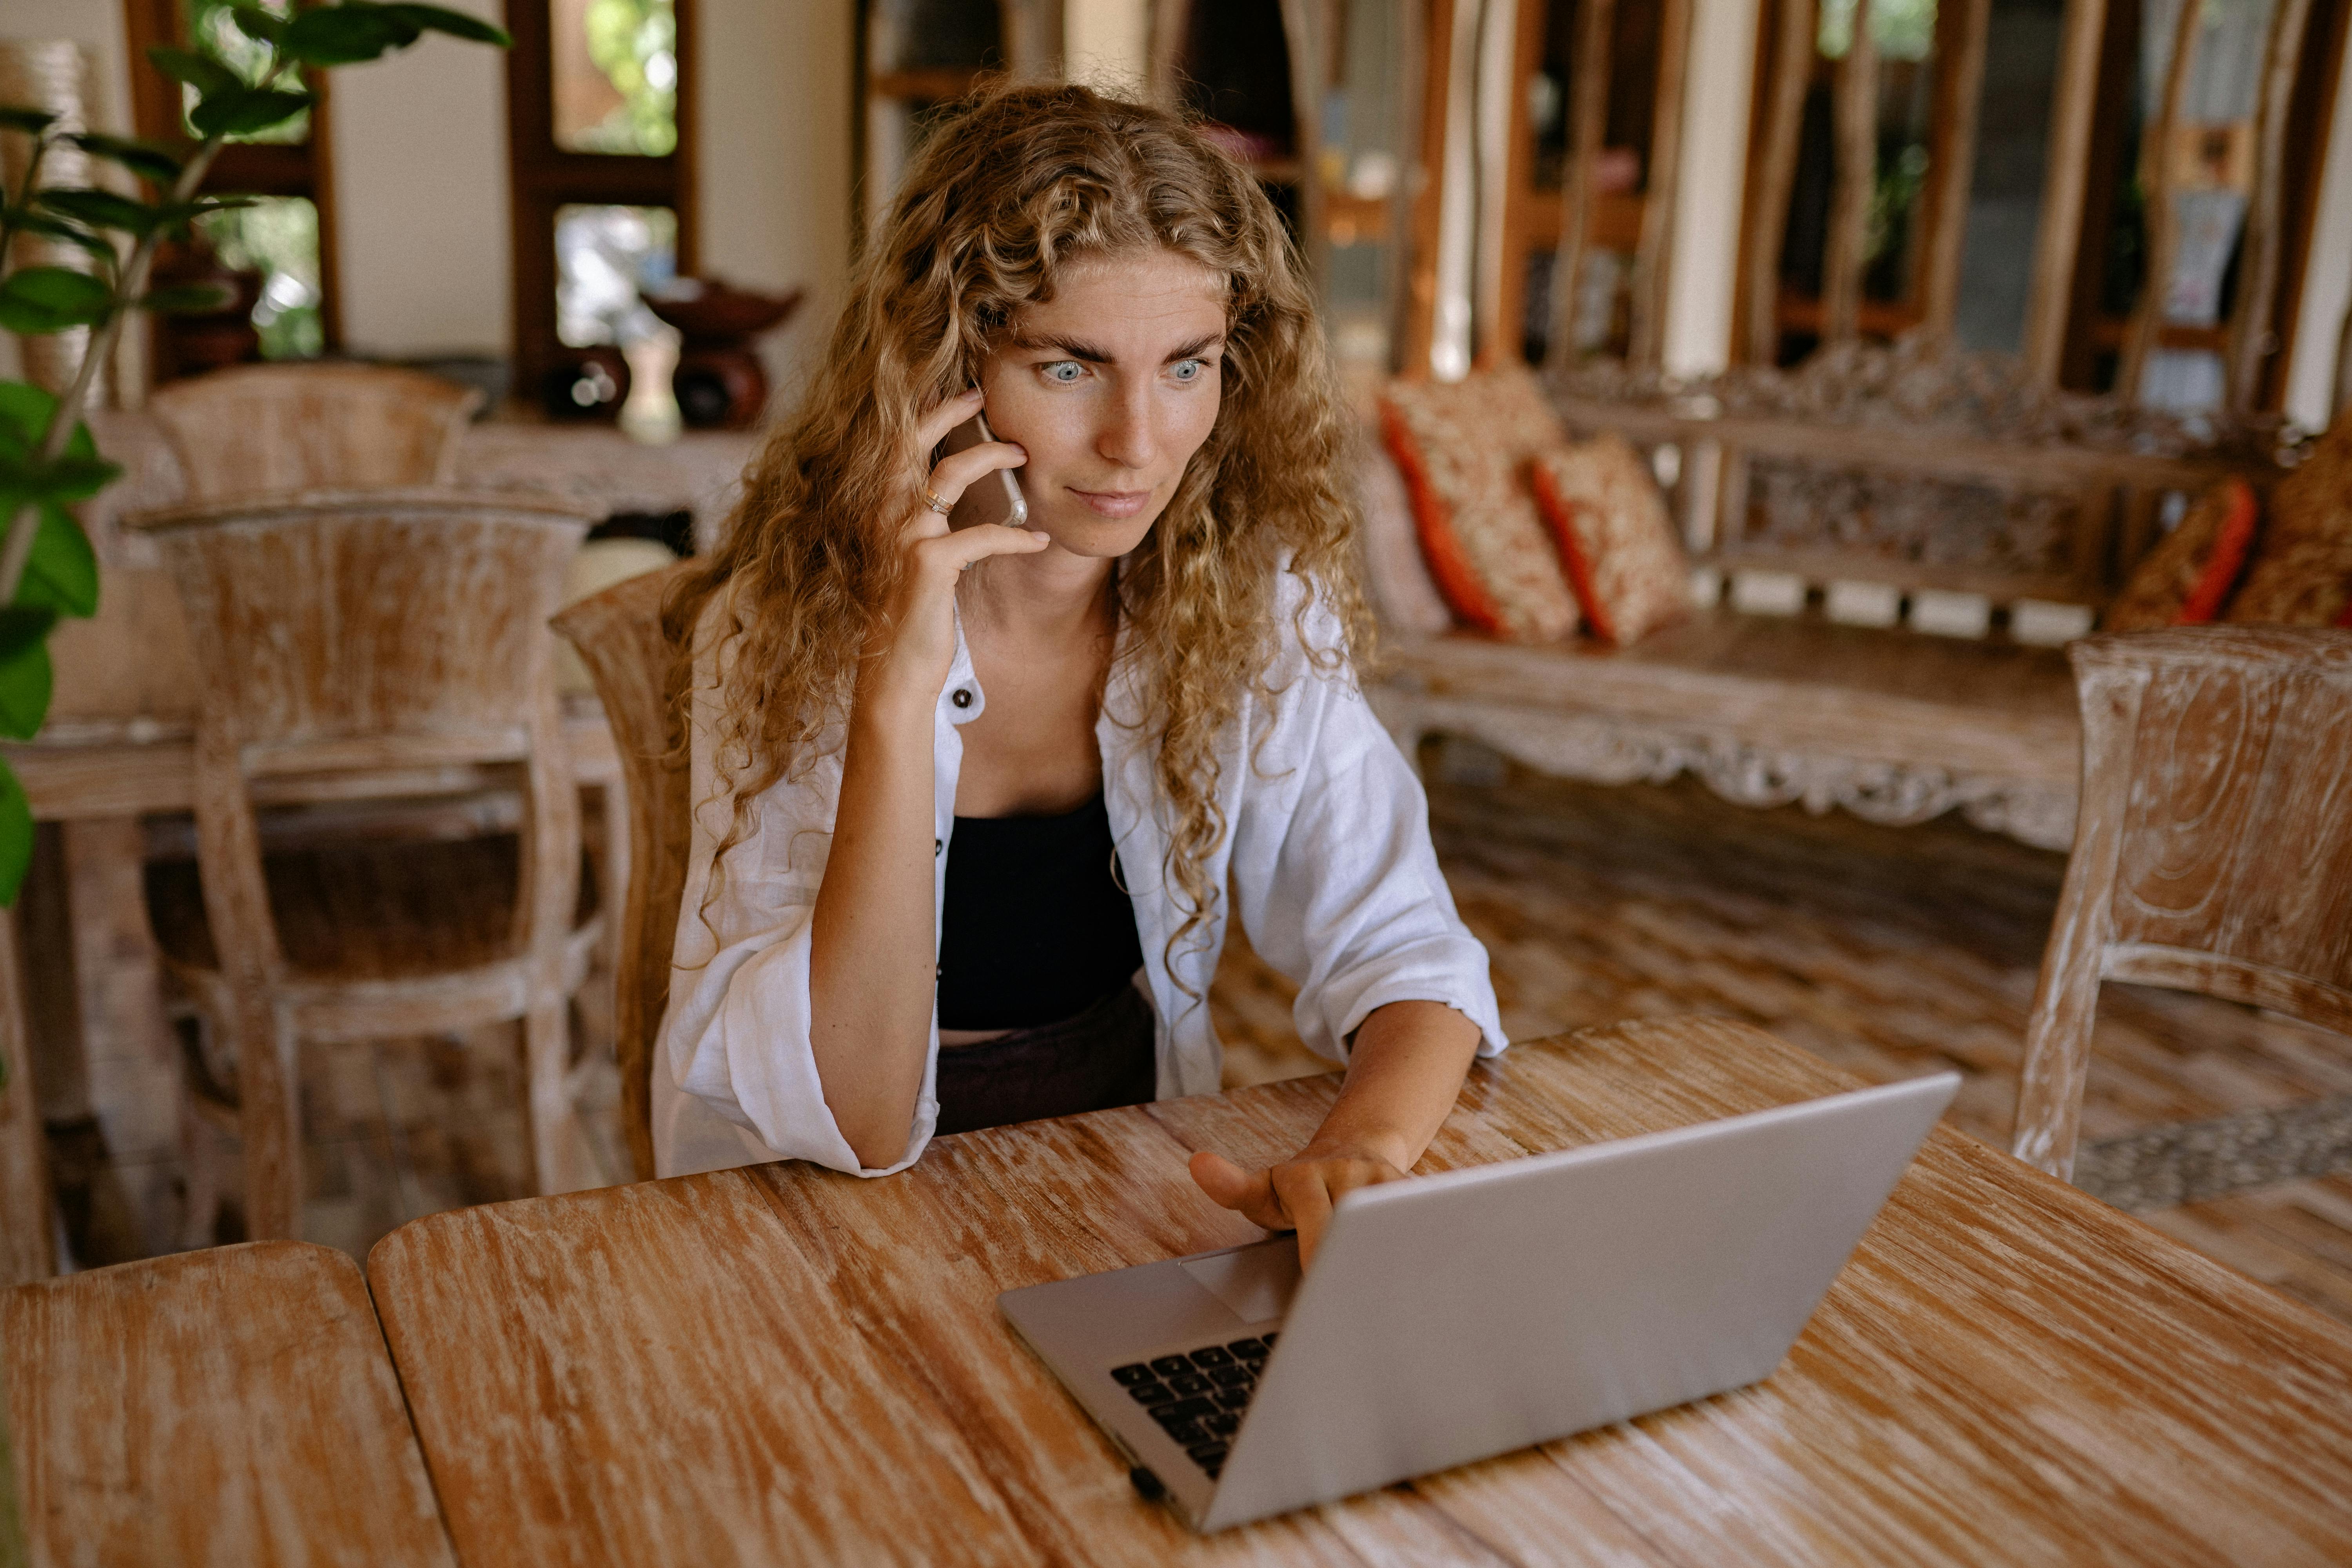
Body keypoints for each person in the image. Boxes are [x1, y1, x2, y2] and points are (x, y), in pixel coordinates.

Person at [658, 82, 1504, 1264]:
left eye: (1187, 366)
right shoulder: (787, 621)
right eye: (1070, 368)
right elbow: (851, 1117)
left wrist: (1360, 1151)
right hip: (819, 1223)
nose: (1138, 442)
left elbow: (1406, 947)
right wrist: (898, 692)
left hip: (1122, 1182)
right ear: (944, 363)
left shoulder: (1240, 599)